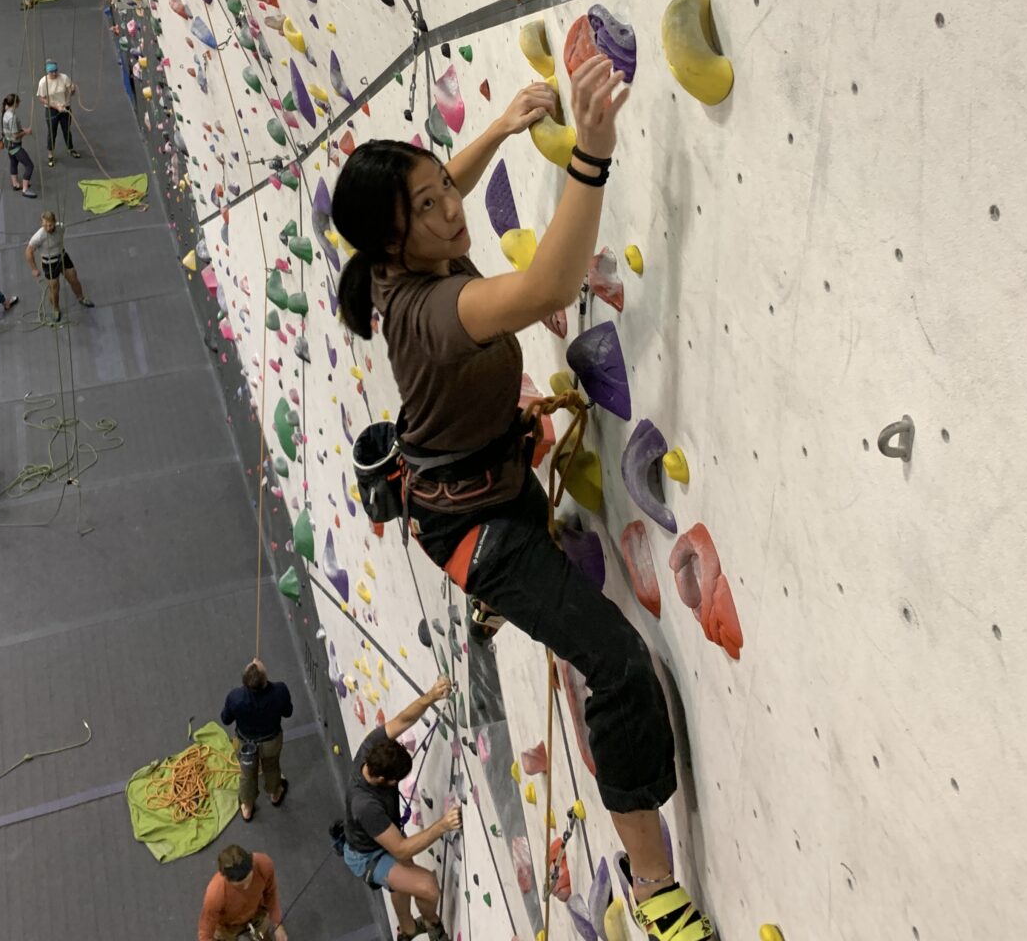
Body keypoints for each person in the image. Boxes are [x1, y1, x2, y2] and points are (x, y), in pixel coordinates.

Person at [331, 56, 714, 941]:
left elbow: (437, 192)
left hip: (471, 479)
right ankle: (653, 886)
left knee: (606, 651)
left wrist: (500, 129)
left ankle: (647, 873)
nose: (449, 211)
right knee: (617, 663)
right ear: (394, 242)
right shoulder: (431, 310)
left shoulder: (391, 258)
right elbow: (546, 288)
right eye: (425, 209)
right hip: (478, 529)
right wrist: (592, 155)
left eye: (438, 189)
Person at [341, 675, 460, 941]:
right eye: (397, 781)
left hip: (379, 836)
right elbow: (400, 849)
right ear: (382, 780)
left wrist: (431, 695)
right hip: (368, 856)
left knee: (402, 883)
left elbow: (404, 720)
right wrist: (443, 824)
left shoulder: (373, 748)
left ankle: (406, 930)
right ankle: (431, 924)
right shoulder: (366, 804)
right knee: (428, 887)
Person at [220, 658, 293, 822]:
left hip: (244, 743)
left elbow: (225, 719)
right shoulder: (280, 691)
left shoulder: (235, 697)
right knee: (272, 767)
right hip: (271, 742)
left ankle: (247, 807)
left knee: (246, 774)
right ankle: (275, 793)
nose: (254, 662)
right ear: (265, 680)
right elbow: (288, 712)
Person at [197, 845, 287, 941]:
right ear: (226, 878)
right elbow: (205, 931)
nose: (246, 886)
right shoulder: (215, 894)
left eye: (249, 879)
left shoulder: (264, 865)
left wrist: (278, 924)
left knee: (264, 937)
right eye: (239, 885)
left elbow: (270, 894)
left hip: (256, 914)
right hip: (228, 927)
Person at [25, 211, 92, 321]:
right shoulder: (38, 237)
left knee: (74, 278)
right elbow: (28, 251)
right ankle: (56, 308)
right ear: (41, 224)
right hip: (49, 263)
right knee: (54, 288)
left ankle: (81, 298)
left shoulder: (61, 227)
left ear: (55, 222)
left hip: (62, 257)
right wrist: (34, 269)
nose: (47, 228)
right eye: (45, 225)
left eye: (50, 225)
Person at [36, 59, 80, 164]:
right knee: (52, 133)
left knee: (66, 130)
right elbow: (42, 98)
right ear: (47, 72)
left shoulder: (64, 78)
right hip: (51, 109)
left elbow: (71, 91)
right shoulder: (43, 82)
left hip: (65, 108)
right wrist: (56, 106)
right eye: (52, 72)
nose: (54, 73)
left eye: (56, 71)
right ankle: (50, 154)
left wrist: (72, 89)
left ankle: (70, 149)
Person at [0, 94, 36, 197]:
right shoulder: (12, 117)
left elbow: (12, 131)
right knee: (29, 165)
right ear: (15, 103)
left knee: (13, 162)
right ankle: (24, 189)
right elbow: (15, 135)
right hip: (15, 145)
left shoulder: (6, 112)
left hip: (8, 144)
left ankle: (15, 184)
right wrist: (26, 132)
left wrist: (23, 130)